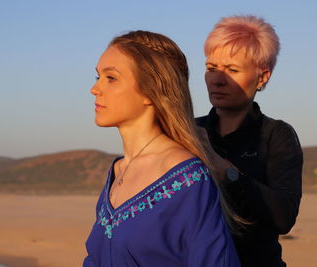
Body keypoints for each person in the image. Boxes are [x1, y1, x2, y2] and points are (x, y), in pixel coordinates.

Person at [83, 30, 240, 266]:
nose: (95, 89)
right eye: (98, 77)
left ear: (150, 90)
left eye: (111, 78)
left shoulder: (187, 178)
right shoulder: (117, 171)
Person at [196, 15, 303, 267]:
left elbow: (284, 216)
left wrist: (225, 171)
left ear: (262, 77)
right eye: (211, 68)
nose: (218, 79)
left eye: (232, 70)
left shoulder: (277, 135)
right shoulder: (190, 129)